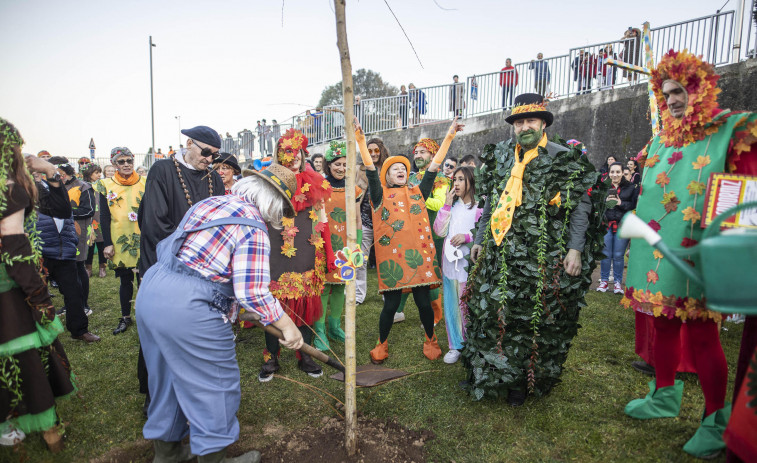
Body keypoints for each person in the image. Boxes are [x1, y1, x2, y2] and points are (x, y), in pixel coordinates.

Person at [621, 50, 757, 459]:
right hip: (652, 250)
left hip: (697, 254)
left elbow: (746, 191)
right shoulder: (660, 137)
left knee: (701, 333)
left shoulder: (729, 130)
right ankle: (664, 395)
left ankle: (716, 418)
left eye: (679, 91)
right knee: (661, 323)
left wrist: (735, 254)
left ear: (700, 88)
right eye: (667, 94)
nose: (673, 100)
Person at [137, 167, 302, 463]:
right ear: (275, 205)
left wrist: (239, 309)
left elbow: (205, 262)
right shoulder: (253, 227)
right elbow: (253, 291)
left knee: (165, 379)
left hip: (154, 289)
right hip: (189, 309)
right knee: (215, 386)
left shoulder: (209, 203)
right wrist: (288, 326)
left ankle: (169, 455)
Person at [464, 93, 603, 405]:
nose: (524, 126)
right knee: (497, 311)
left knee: (530, 317)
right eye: (519, 122)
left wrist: (575, 249)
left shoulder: (562, 158)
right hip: (500, 252)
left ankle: (520, 381)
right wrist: (482, 240)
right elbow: (491, 202)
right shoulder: (501, 156)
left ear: (543, 124)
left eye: (530, 121)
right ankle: (493, 370)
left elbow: (580, 207)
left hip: (539, 256)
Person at [356, 117, 463, 364]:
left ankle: (430, 339)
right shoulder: (379, 194)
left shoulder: (418, 191)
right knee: (390, 306)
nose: (401, 169)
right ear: (388, 175)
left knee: (424, 303)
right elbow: (371, 170)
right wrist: (362, 140)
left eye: (403, 167)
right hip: (392, 260)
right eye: (395, 168)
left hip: (419, 258)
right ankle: (381, 344)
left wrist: (449, 136)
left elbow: (435, 166)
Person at [1, 120, 79, 451]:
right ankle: (48, 432)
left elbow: (60, 206)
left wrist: (49, 171)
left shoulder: (17, 184)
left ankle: (9, 428)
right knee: (25, 358)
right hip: (9, 288)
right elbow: (13, 246)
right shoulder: (9, 188)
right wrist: (38, 294)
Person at [138, 126, 224, 411]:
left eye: (215, 155)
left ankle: (194, 398)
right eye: (206, 152)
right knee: (164, 334)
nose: (210, 159)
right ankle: (159, 399)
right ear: (189, 143)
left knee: (197, 335)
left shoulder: (215, 181)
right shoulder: (162, 171)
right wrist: (189, 259)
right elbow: (154, 224)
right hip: (165, 269)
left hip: (203, 274)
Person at [258, 129, 335, 382]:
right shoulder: (266, 181)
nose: (293, 158)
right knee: (273, 303)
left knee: (305, 302)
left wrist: (328, 252)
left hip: (307, 247)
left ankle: (306, 355)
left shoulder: (315, 181)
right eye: (286, 153)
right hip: (275, 249)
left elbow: (323, 221)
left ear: (304, 154)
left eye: (297, 153)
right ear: (278, 156)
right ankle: (272, 356)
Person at [315, 141, 363, 351]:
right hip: (323, 243)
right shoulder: (318, 187)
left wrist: (358, 245)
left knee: (340, 286)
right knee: (323, 287)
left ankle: (334, 326)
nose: (342, 169)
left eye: (345, 164)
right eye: (337, 164)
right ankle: (319, 331)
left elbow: (358, 219)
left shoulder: (354, 189)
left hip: (346, 244)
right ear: (328, 164)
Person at [94, 147, 147, 335]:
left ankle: (145, 317)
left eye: (129, 161)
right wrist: (107, 243)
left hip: (143, 239)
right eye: (121, 161)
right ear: (115, 164)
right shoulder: (105, 185)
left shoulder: (145, 182)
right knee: (125, 281)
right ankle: (125, 317)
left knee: (144, 280)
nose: (126, 164)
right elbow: (105, 217)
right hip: (119, 240)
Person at [432, 166, 481, 364]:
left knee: (467, 305)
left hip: (469, 264)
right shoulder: (451, 207)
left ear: (471, 181)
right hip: (450, 265)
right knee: (451, 305)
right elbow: (439, 231)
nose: (457, 183)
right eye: (455, 180)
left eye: (461, 179)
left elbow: (485, 232)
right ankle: (455, 345)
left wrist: (467, 236)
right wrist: (445, 206)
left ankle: (472, 343)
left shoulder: (480, 207)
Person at [50, 156, 96, 317]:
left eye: (58, 172)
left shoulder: (83, 186)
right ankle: (70, 304)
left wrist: (64, 212)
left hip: (78, 232)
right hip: (58, 234)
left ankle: (84, 305)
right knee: (65, 270)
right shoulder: (52, 187)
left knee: (78, 266)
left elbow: (89, 210)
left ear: (65, 171)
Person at [355, 137, 389, 304]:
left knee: (385, 259)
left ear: (381, 150)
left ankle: (387, 294)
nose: (373, 154)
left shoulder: (388, 169)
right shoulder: (359, 169)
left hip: (384, 221)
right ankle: (359, 296)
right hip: (364, 221)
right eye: (369, 151)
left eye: (376, 150)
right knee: (360, 260)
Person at [597, 162, 636, 294]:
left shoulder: (630, 187)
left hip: (622, 226)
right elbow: (596, 203)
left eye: (618, 172)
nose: (615, 175)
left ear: (622, 173)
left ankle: (618, 283)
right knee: (606, 254)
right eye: (612, 172)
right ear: (609, 173)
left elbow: (633, 205)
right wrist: (604, 202)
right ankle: (604, 281)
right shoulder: (603, 187)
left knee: (619, 256)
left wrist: (620, 203)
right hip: (606, 224)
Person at [82, 164, 107, 278]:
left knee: (101, 243)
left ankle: (102, 267)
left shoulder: (102, 185)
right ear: (89, 173)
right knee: (89, 245)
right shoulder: (83, 186)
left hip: (99, 217)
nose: (99, 175)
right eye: (96, 173)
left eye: (99, 172)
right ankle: (88, 267)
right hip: (88, 218)